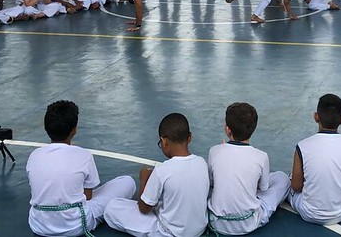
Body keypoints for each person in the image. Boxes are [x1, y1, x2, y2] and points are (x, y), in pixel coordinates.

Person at [27, 100, 136, 237]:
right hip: (76, 225)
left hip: (39, 225)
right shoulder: (83, 155)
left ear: (46, 127)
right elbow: (88, 196)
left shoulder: (34, 155)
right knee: (127, 182)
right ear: (74, 130)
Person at [104, 113, 209, 237]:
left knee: (112, 207)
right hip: (198, 230)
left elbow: (143, 209)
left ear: (164, 142)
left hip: (168, 232)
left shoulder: (162, 170)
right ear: (190, 137)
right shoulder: (202, 163)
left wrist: (144, 180)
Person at [207, 103, 290, 235]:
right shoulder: (261, 156)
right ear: (253, 130)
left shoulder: (215, 151)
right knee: (282, 178)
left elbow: (211, 184)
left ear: (227, 130)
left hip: (217, 222)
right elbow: (263, 188)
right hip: (249, 223)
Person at [288, 94, 341, 225]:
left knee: (286, 181)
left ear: (316, 116)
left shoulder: (302, 146)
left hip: (311, 213)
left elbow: (296, 187)